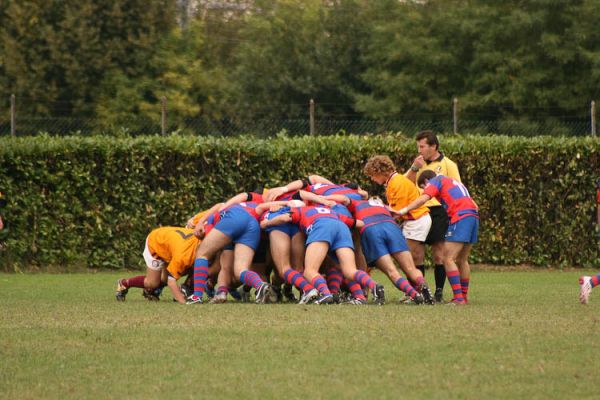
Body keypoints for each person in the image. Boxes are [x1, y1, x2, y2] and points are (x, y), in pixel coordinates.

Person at [261, 203, 386, 305]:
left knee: (309, 271)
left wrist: (266, 223)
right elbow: (360, 223)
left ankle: (326, 295)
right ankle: (373, 288)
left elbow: (285, 218)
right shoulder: (332, 212)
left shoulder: (300, 210)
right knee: (349, 270)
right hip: (342, 228)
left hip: (321, 226)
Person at [391, 170, 479, 305]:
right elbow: (475, 206)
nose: (425, 190)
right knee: (462, 260)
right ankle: (463, 296)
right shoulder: (454, 182)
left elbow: (423, 199)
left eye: (423, 187)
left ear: (426, 182)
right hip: (473, 216)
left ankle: (458, 298)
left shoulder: (436, 181)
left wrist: (403, 211)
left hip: (460, 216)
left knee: (447, 258)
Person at [340, 195, 434, 304]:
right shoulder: (380, 204)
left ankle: (415, 295)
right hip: (391, 226)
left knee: (392, 271)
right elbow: (394, 213)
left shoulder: (355, 203)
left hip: (371, 228)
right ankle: (423, 286)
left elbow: (344, 200)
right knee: (411, 269)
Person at [405, 130, 462, 302]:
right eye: (418, 146)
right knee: (416, 254)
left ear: (433, 146)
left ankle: (438, 292)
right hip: (419, 212)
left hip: (439, 212)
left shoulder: (448, 164)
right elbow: (404, 184)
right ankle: (420, 292)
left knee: (439, 254)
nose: (419, 150)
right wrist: (414, 168)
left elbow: (456, 188)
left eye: (422, 146)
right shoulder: (417, 163)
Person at [363, 155, 432, 288]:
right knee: (411, 259)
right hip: (414, 220)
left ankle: (418, 291)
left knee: (406, 260)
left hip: (416, 219)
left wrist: (378, 210)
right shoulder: (394, 181)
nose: (372, 179)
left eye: (372, 175)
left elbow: (398, 212)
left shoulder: (396, 183)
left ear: (380, 172)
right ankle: (418, 290)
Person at [115, 225, 219, 304]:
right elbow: (171, 281)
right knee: (152, 282)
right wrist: (183, 302)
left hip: (169, 241)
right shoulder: (184, 256)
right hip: (156, 242)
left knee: (165, 278)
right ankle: (124, 283)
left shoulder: (202, 244)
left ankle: (153, 291)